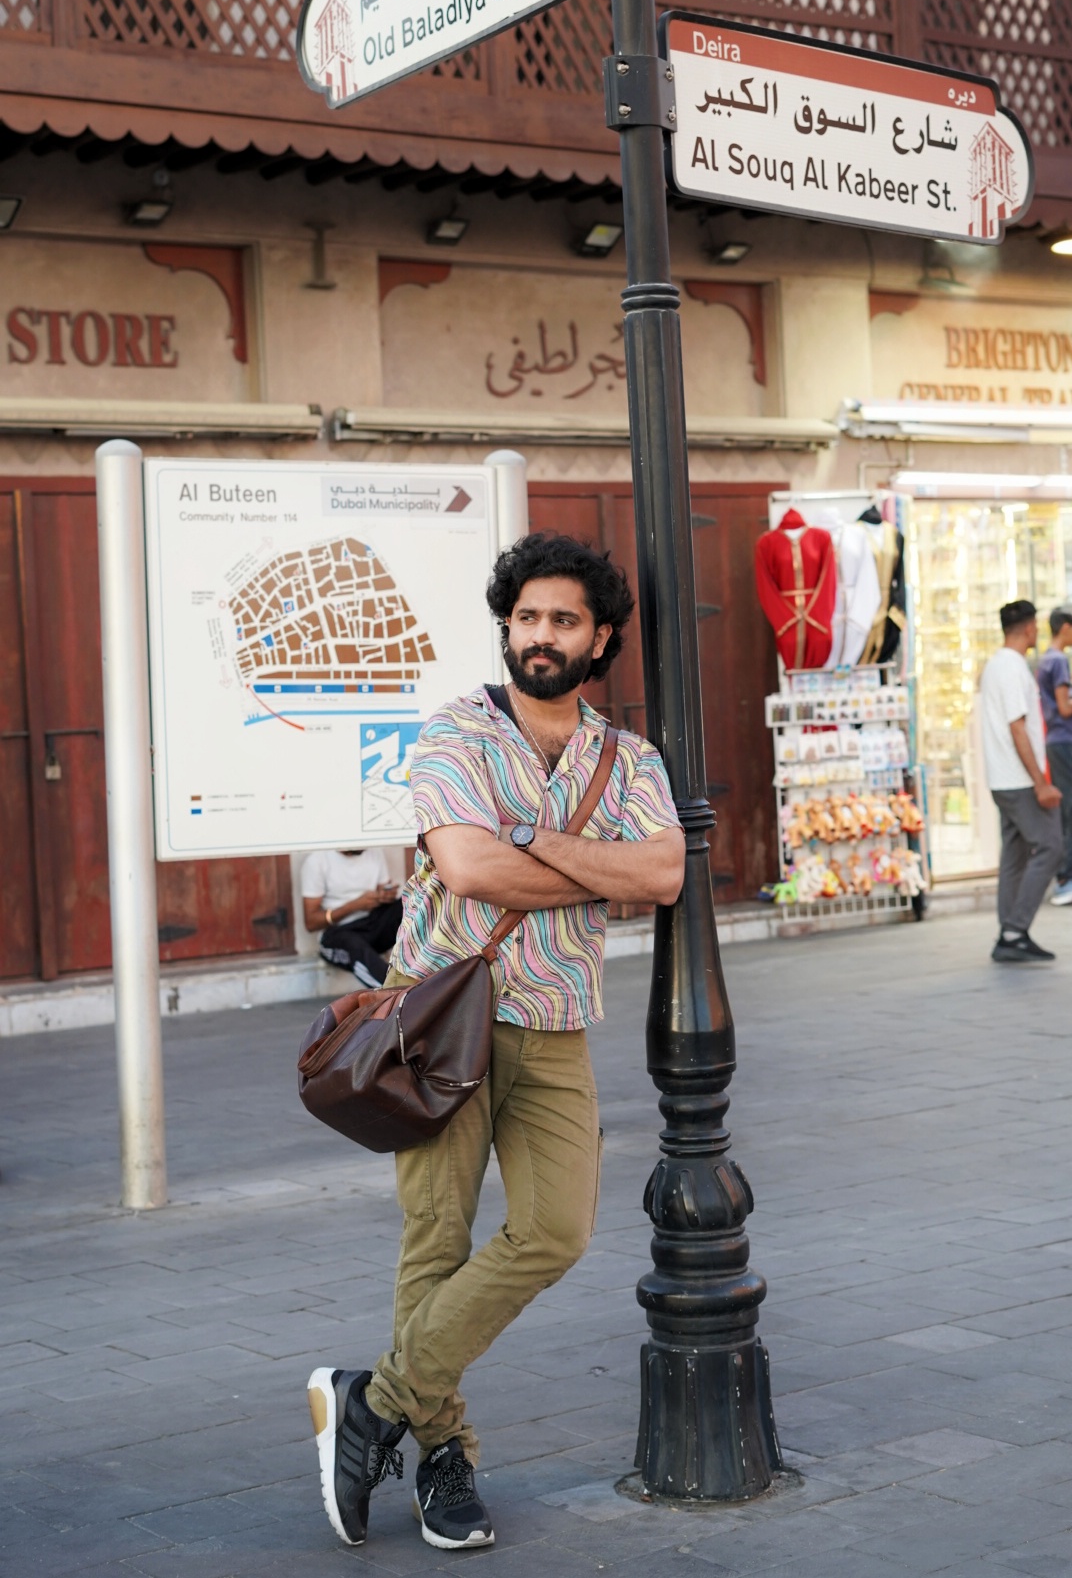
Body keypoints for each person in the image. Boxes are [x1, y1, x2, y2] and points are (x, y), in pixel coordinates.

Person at [306, 532, 685, 1553]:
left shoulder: (629, 757)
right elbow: (472, 869)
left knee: (556, 1230)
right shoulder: (455, 733)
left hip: (555, 1023)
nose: (541, 635)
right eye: (526, 617)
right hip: (437, 1022)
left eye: (564, 619)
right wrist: (594, 866)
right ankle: (445, 1458)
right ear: (507, 627)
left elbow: (663, 874)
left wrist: (535, 839)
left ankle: (373, 1400)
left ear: (600, 637)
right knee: (436, 1240)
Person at [980, 599, 1063, 963]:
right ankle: (1014, 929)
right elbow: (1018, 727)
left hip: (1003, 778)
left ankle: (1010, 934)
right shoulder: (1012, 668)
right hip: (1019, 780)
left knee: (1014, 855)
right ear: (1029, 628)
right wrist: (1040, 782)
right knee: (1050, 846)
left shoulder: (995, 665)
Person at [300, 848, 402, 988]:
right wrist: (354, 906)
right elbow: (311, 923)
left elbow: (384, 889)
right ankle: (394, 991)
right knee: (354, 944)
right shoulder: (318, 860)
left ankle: (427, 975)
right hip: (338, 932)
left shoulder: (374, 850)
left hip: (371, 925)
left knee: (410, 903)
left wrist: (385, 896)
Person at [1037, 605, 1072, 907]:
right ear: (1065, 627)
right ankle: (1068, 878)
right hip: (1065, 740)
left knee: (1070, 808)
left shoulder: (1046, 660)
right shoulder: (1058, 660)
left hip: (1058, 741)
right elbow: (1065, 708)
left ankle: (1068, 876)